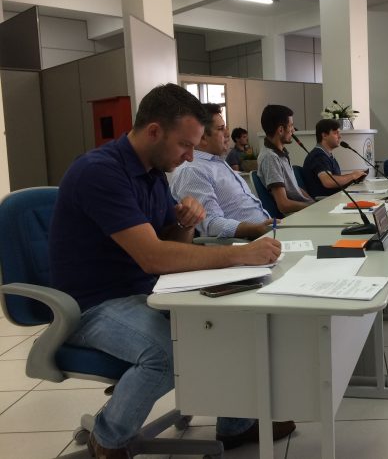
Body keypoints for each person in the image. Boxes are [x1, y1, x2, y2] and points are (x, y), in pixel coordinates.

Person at [49, 84, 295, 458]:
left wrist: (185, 223)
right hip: (92, 305)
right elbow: (154, 257)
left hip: (145, 290)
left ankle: (236, 424)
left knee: (232, 320)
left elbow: (171, 246)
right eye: (184, 145)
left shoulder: (152, 172)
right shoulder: (100, 172)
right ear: (154, 131)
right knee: (166, 354)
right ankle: (107, 438)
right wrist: (239, 256)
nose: (190, 156)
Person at [170, 103, 273, 239]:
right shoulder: (192, 170)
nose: (227, 134)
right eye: (221, 129)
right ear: (202, 137)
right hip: (246, 242)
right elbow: (211, 223)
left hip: (264, 233)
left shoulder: (217, 162)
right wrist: (256, 230)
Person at [256, 104, 314, 215]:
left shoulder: (280, 154)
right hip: (297, 215)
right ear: (281, 130)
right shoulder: (270, 158)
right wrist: (312, 207)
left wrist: (314, 203)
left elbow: (295, 189)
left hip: (304, 211)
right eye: (291, 126)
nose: (293, 130)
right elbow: (284, 205)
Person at [302, 118, 368, 199]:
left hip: (334, 198)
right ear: (324, 135)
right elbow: (328, 182)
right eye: (336, 133)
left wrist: (354, 179)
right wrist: (352, 176)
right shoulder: (318, 156)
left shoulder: (328, 155)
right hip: (325, 201)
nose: (340, 136)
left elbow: (335, 182)